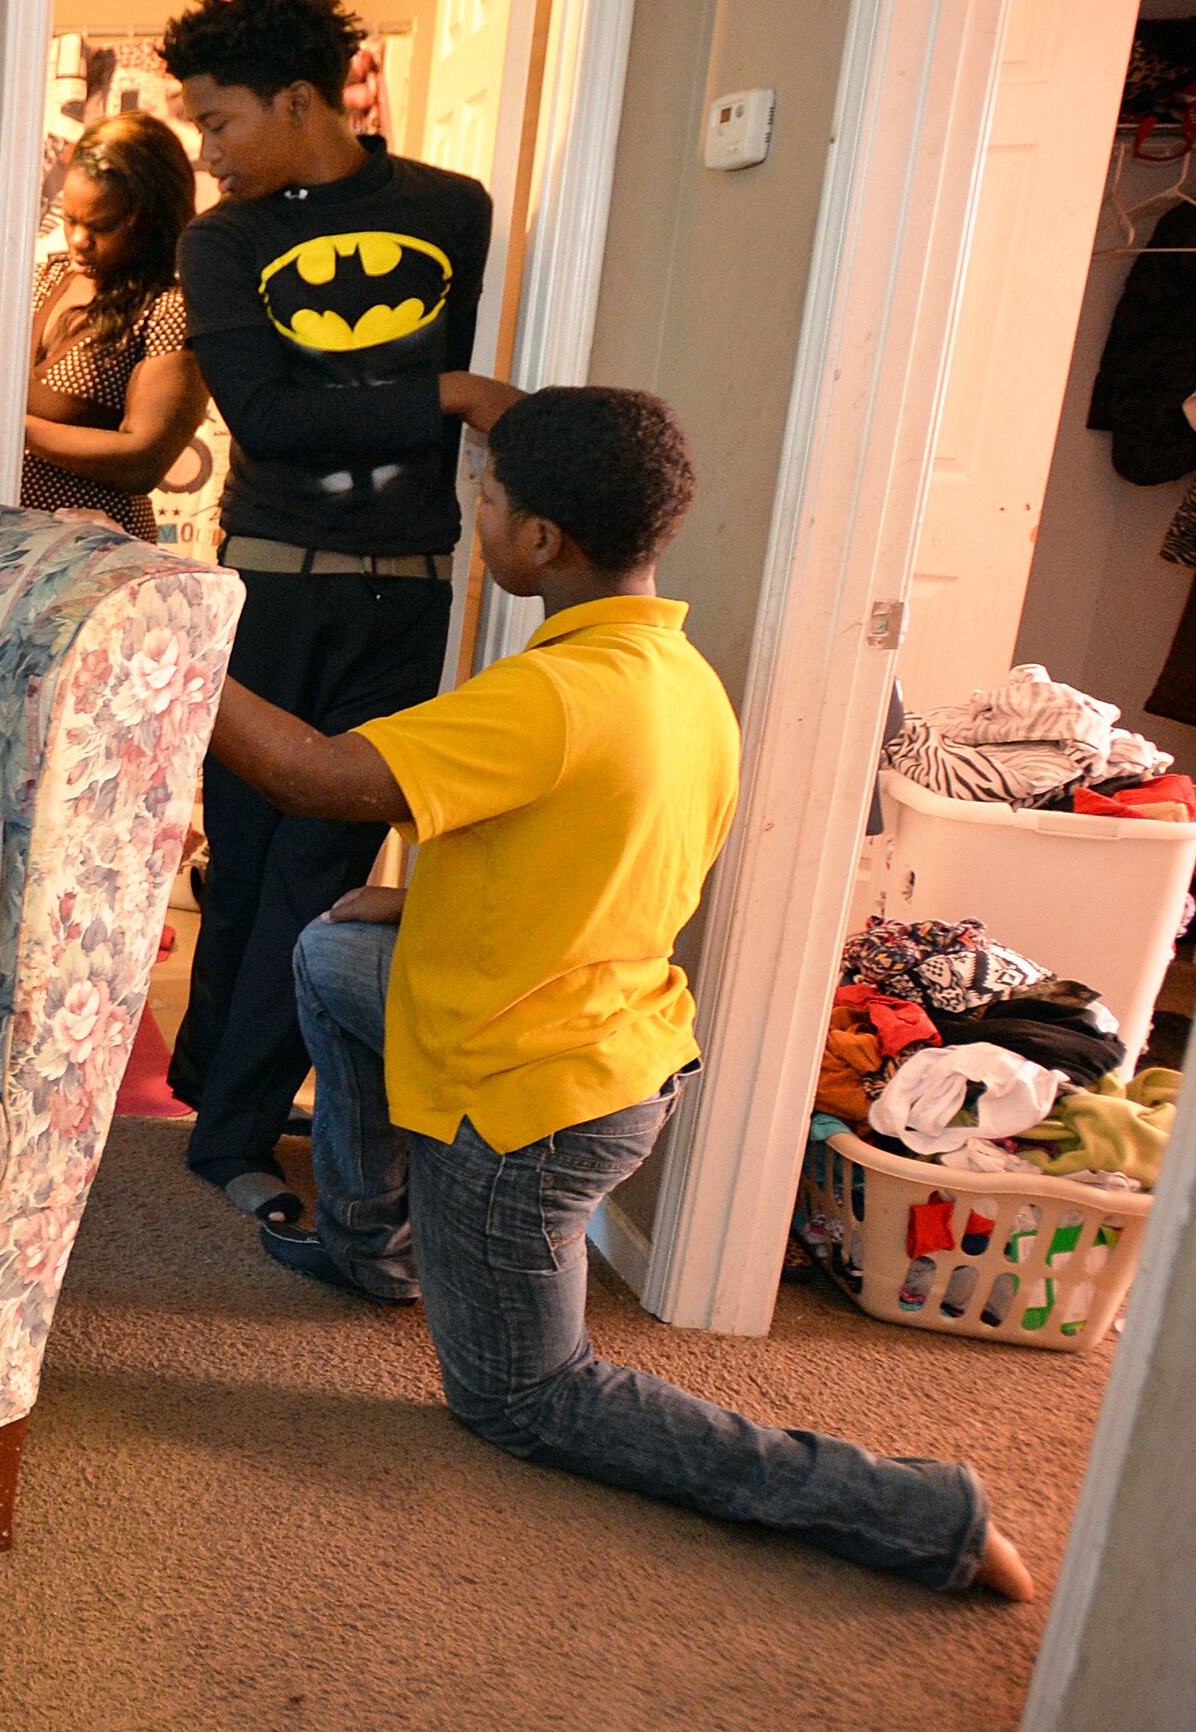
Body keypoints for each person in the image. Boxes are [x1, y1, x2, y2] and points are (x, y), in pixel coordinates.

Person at [205, 386, 1037, 1599]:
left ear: (542, 538)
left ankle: (919, 1509)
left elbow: (315, 774)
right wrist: (417, 907)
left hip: (528, 1111)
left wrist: (180, 653)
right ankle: (373, 1249)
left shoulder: (547, 696)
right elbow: (588, 864)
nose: (478, 508)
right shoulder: (672, 673)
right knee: (333, 958)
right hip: (600, 1033)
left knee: (527, 1396)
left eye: (490, 494)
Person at [157, 0, 516, 1237]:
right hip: (267, 588)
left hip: (407, 595)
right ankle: (218, 1086)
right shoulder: (222, 242)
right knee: (246, 860)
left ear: (300, 100)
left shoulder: (454, 210)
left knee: (318, 869)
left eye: (220, 120)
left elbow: (347, 408)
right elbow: (267, 416)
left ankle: (231, 1130)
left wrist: (422, 404)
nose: (208, 153)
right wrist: (451, 397)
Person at [23, 112, 211, 539]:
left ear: (153, 218)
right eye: (70, 219)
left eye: (103, 226)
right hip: (12, 548)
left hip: (98, 550)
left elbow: (143, 461)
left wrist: (17, 430)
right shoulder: (44, 280)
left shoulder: (168, 308)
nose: (78, 241)